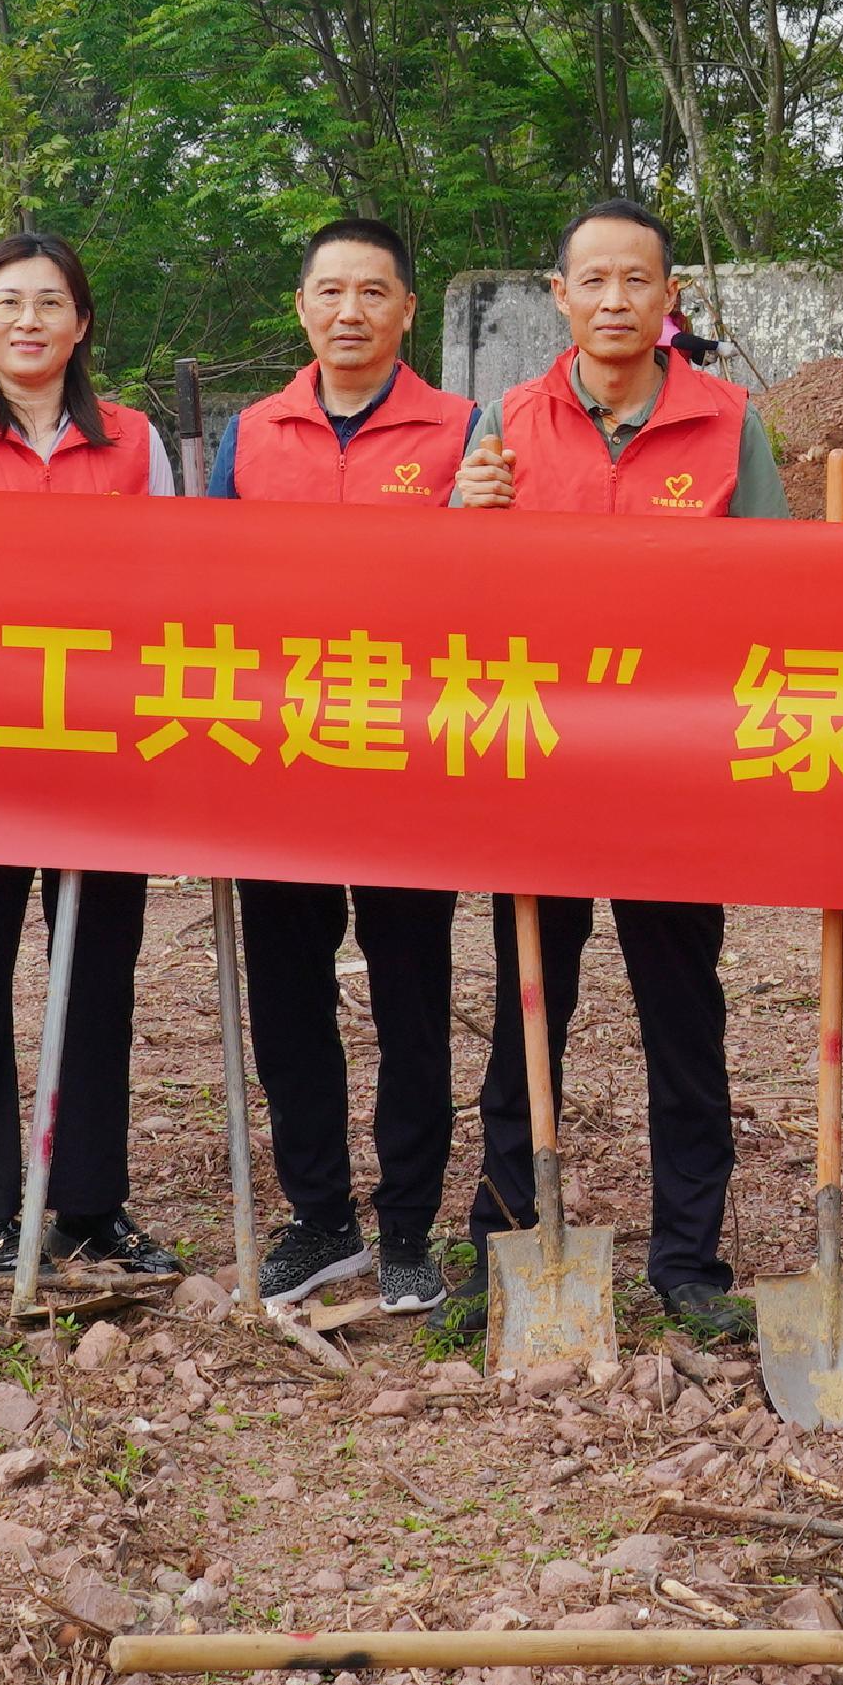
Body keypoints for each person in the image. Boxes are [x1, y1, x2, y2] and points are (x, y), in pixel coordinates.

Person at [442, 196, 778, 1345]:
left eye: (637, 280)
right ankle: (503, 1237)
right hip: (538, 766)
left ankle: (688, 1259)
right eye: (593, 280)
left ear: (668, 296)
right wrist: (464, 517)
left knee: (682, 1018)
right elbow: (454, 597)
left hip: (672, 777)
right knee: (530, 1005)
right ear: (559, 294)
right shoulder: (506, 420)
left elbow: (782, 596)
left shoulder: (728, 424)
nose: (615, 300)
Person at [0, 229, 188, 1280]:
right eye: (8, 302)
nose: (28, 320)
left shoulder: (134, 445)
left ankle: (89, 1202)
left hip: (104, 753)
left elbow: (175, 592)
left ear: (81, 322)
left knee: (96, 975)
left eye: (50, 302)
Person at [205, 216, 476, 1313]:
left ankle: (408, 1223)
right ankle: (320, 1215)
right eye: (329, 291)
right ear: (301, 307)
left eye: (373, 292)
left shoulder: (460, 430)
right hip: (282, 760)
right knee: (286, 991)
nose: (349, 311)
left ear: (407, 310)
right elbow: (208, 586)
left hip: (412, 759)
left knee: (412, 991)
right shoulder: (250, 431)